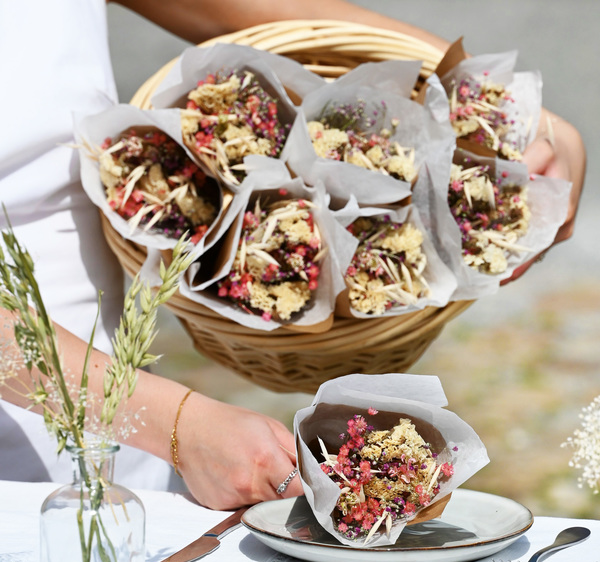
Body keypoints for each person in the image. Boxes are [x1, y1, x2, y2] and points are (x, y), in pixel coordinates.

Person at [0, 0, 586, 510]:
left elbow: (276, 11)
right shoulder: (163, 425)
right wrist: (176, 425)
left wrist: (509, 111)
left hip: (120, 459)